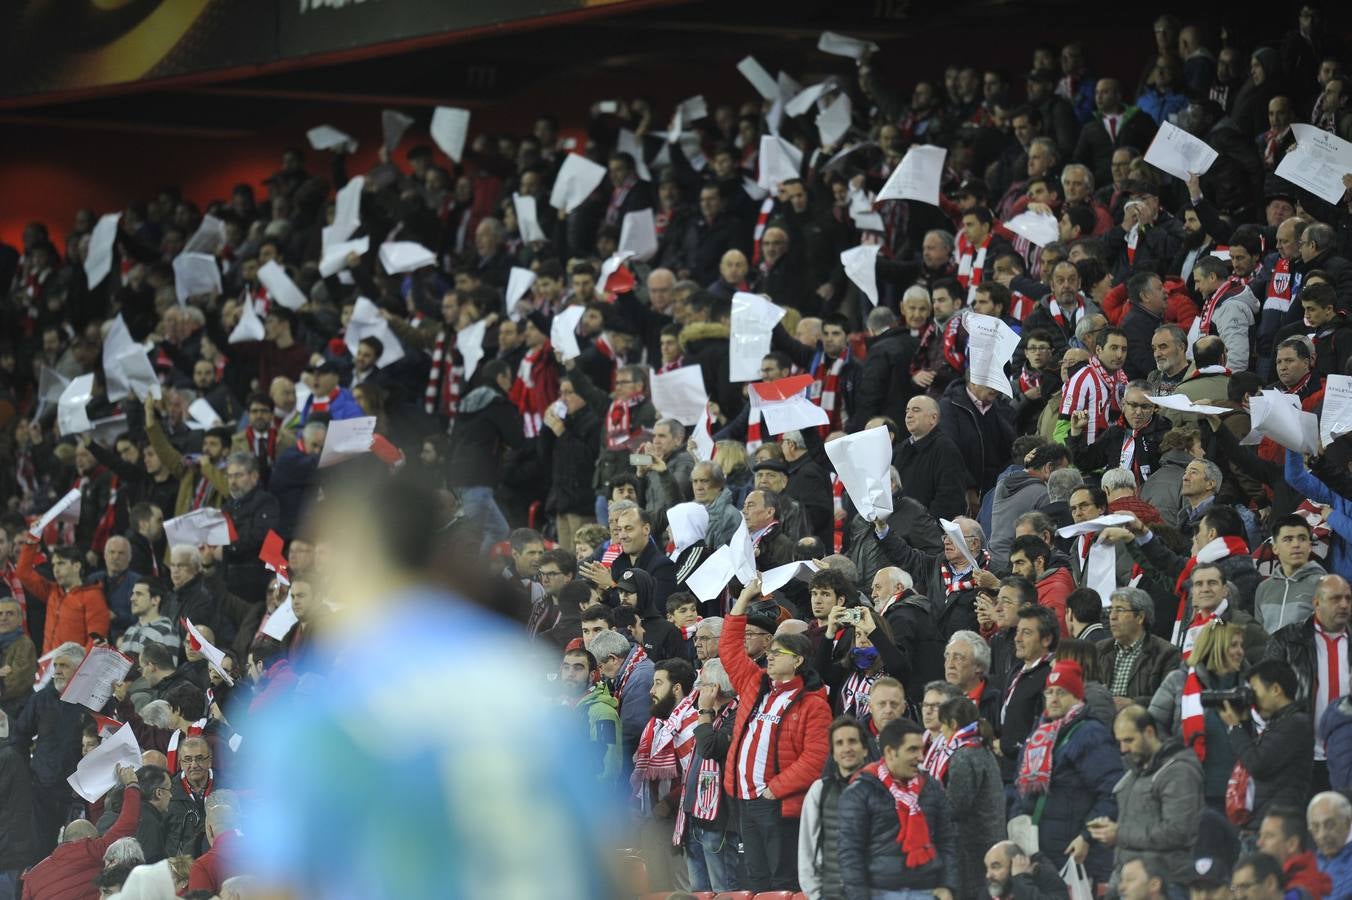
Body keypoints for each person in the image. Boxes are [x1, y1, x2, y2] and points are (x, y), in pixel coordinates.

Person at [719, 577, 832, 893]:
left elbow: (816, 758)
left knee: (782, 882)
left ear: (798, 660)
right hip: (743, 799)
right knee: (755, 880)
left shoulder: (813, 704)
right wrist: (743, 599)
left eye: (778, 652)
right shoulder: (755, 683)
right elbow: (729, 649)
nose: (769, 655)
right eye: (770, 650)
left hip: (777, 803)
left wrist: (774, 789)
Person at [1012, 659, 1124, 884]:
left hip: (1072, 852)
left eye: (1061, 692)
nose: (1053, 699)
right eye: (1049, 692)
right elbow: (1020, 787)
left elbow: (1111, 790)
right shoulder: (1039, 735)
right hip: (1037, 850)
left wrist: (1087, 837)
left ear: (1077, 696)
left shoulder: (1090, 734)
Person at [836, 717, 960, 900]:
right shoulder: (860, 791)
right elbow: (850, 852)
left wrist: (948, 886)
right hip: (878, 894)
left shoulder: (931, 787)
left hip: (928, 891)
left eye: (921, 749)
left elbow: (947, 840)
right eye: (912, 750)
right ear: (890, 752)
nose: (921, 757)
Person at [1095, 705, 1204, 887]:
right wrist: (1109, 832)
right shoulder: (1135, 771)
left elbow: (1177, 832)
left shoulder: (1179, 772)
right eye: (1119, 741)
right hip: (1126, 878)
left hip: (1163, 884)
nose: (1123, 748)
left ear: (1149, 732)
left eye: (1129, 740)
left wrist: (1119, 834)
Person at [1265, 575, 1352, 791]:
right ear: (1316, 603)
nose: (1343, 604)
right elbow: (1264, 697)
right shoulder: (1285, 640)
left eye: (1348, 598)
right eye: (1335, 598)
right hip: (1301, 757)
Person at [1149, 622, 1245, 810]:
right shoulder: (1179, 681)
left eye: (1242, 645)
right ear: (1215, 647)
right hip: (1190, 789)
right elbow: (1151, 727)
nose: (1240, 651)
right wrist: (1177, 756)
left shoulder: (1249, 685)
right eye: (1234, 645)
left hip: (1239, 793)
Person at [18, 765, 143, 899]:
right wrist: (131, 784)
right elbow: (127, 823)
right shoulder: (96, 850)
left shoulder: (32, 877)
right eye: (97, 838)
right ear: (88, 838)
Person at [11, 641, 87, 858]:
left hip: (78, 791)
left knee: (74, 851)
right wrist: (27, 772)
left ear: (79, 670)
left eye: (64, 665)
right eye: (56, 665)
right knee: (40, 851)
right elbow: (19, 736)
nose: (57, 671)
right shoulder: (40, 699)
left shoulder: (93, 701)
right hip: (42, 789)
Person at [1218, 659, 1313, 827]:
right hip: (1264, 818)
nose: (1252, 698)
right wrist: (1244, 722)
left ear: (1276, 689)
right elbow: (1253, 756)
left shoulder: (1294, 724)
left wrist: (1235, 728)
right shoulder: (1280, 723)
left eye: (1254, 690)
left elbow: (1257, 764)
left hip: (1278, 824)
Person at [934, 696, 1004, 900]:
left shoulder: (964, 755)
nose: (941, 731)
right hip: (990, 839)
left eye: (943, 725)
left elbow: (956, 807)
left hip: (972, 845)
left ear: (953, 724)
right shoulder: (982, 748)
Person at [799, 715, 875, 900]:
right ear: (833, 753)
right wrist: (815, 895)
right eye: (839, 743)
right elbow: (807, 848)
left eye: (852, 741)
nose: (847, 748)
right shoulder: (819, 790)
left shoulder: (882, 790)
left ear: (865, 749)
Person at [682, 658, 740, 893]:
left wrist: (704, 710)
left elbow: (709, 748)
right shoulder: (715, 716)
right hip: (695, 814)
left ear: (715, 688)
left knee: (722, 889)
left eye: (703, 684)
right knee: (698, 890)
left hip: (719, 819)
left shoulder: (737, 715)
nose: (698, 689)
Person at [997, 603, 1057, 780]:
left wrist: (1008, 747)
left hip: (1030, 774)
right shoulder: (1016, 672)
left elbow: (1046, 730)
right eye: (1018, 631)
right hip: (1006, 771)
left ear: (1046, 639)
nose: (1017, 638)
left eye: (1027, 633)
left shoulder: (1051, 676)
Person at [15, 540, 110, 651]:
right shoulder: (52, 592)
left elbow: (96, 641)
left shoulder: (93, 597)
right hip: (48, 660)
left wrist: (80, 662)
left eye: (61, 563)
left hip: (75, 661)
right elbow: (23, 572)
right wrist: (32, 539)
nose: (56, 569)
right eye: (54, 565)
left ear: (76, 566)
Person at [1097, 587, 1182, 710]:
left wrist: (1133, 703)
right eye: (1111, 610)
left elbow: (1170, 700)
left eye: (1120, 610)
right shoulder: (1100, 650)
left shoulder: (1166, 654)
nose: (1112, 617)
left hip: (1142, 720)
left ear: (1140, 617)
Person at [587, 628, 654, 767]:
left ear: (613, 659)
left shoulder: (640, 678)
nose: (600, 672)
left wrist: (612, 764)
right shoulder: (634, 669)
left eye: (600, 666)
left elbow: (632, 732)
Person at [558, 643, 622, 786]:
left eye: (578, 668)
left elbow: (607, 770)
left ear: (592, 675)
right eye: (566, 667)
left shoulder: (604, 713)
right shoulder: (560, 706)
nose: (570, 673)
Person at [1255, 515, 1327, 633]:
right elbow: (1259, 636)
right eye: (1288, 539)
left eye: (1302, 538)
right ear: (1275, 548)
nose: (1296, 544)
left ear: (1310, 546)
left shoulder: (1325, 586)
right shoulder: (1263, 589)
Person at [1254, 805, 1332, 900]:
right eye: (1260, 836)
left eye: (1269, 836)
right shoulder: (1281, 879)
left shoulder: (1302, 888)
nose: (1259, 843)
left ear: (1292, 844)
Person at [983, 840, 1071, 900]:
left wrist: (1021, 879)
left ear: (1016, 863)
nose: (988, 875)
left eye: (995, 867)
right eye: (987, 868)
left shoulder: (1043, 874)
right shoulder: (993, 887)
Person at [0, 598, 35, 721]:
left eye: (10, 613)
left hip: (17, 712)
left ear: (20, 619)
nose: (3, 618)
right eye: (0, 613)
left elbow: (16, 683)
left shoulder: (25, 644)